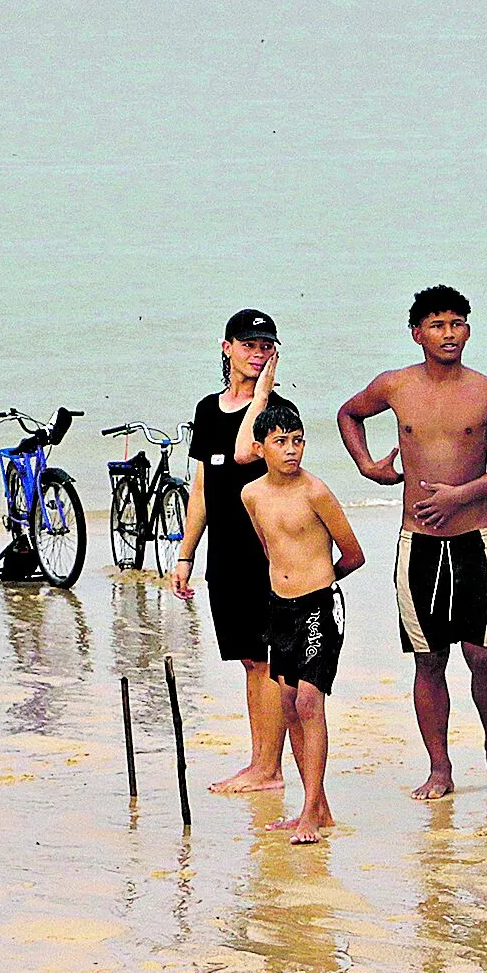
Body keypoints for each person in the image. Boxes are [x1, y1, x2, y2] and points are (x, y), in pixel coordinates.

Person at [338, 284, 487, 800]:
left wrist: (459, 496)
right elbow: (348, 414)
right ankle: (440, 767)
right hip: (417, 544)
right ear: (417, 333)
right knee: (429, 659)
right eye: (439, 325)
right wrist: (368, 465)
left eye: (458, 323)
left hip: (474, 540)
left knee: (482, 654)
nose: (450, 334)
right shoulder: (395, 386)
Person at [170, 309, 296, 795]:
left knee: (268, 660)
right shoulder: (206, 410)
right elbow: (202, 487)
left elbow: (252, 457)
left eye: (266, 345)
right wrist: (186, 555)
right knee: (249, 659)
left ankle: (269, 769)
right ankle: (261, 762)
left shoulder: (276, 412)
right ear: (227, 347)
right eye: (248, 344)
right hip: (224, 551)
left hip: (267, 550)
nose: (257, 352)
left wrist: (262, 393)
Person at [238, 399, 366, 843]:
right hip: (281, 608)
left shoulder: (316, 491)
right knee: (289, 704)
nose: (291, 450)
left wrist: (321, 584)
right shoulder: (250, 494)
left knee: (310, 702)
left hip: (319, 607)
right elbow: (270, 548)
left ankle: (310, 813)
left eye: (297, 441)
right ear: (261, 448)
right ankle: (319, 807)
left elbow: (354, 553)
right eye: (280, 442)